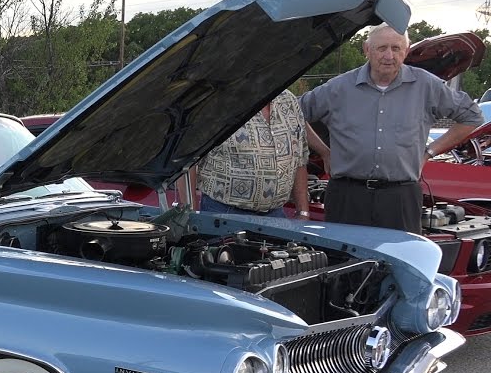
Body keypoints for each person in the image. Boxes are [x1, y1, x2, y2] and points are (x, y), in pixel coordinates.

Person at [300, 25, 482, 233]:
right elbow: (294, 113)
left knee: (400, 262)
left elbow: (472, 117)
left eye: (396, 48)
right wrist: (324, 151)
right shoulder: (338, 88)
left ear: (406, 50)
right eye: (381, 48)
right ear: (367, 49)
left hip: (401, 198)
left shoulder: (426, 86)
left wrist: (429, 153)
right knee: (344, 263)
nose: (389, 55)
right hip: (347, 197)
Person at [192, 89, 311, 219]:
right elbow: (186, 161)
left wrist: (303, 212)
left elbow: (300, 158)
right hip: (223, 214)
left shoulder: (289, 101)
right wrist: (190, 214)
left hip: (276, 216)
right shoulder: (217, 102)